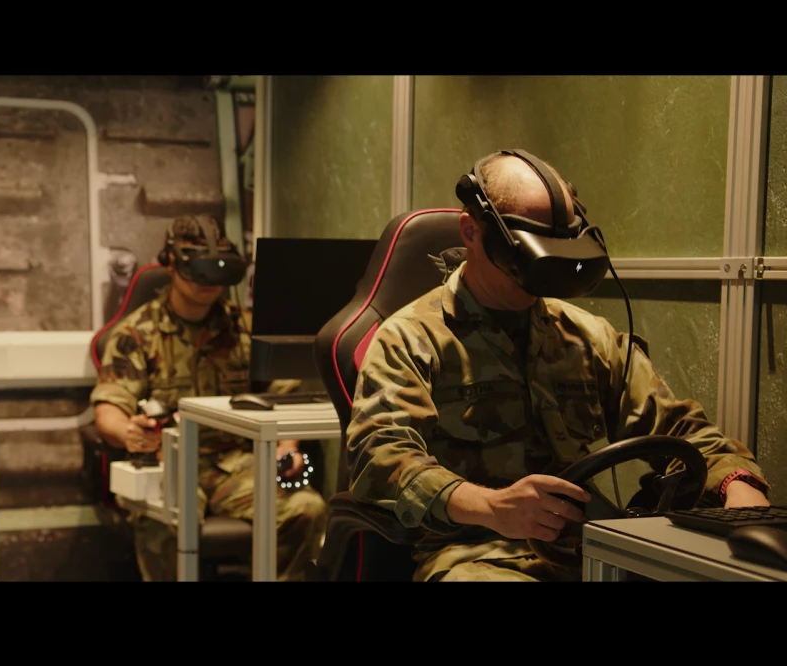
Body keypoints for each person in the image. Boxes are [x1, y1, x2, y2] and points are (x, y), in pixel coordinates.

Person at [346, 150, 772, 582]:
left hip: (595, 546)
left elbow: (681, 430)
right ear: (471, 232)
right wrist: (491, 507)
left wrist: (738, 489)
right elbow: (381, 457)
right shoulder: (410, 339)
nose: (539, 276)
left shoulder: (589, 338)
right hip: (479, 553)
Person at [90, 215, 328, 581]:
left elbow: (286, 396)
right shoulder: (137, 334)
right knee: (165, 518)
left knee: (306, 508)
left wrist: (287, 446)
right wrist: (131, 433)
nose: (208, 282)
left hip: (238, 463)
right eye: (197, 269)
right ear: (170, 264)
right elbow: (109, 410)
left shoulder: (247, 329)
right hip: (169, 461)